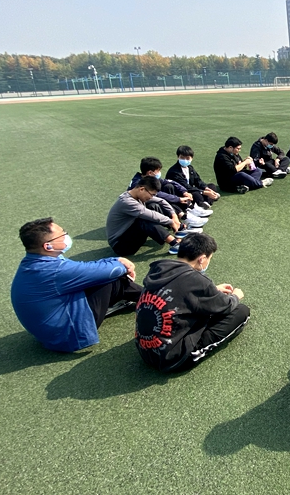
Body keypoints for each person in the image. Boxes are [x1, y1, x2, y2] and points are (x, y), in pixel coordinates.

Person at [11, 217, 142, 352]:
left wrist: (116, 259)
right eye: (62, 234)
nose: (66, 236)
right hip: (67, 336)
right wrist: (122, 264)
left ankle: (143, 296)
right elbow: (108, 271)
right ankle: (149, 298)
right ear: (48, 246)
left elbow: (84, 267)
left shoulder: (35, 262)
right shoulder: (54, 271)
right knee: (108, 279)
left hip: (49, 333)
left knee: (98, 276)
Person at [136, 233, 250, 372]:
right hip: (172, 358)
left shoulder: (159, 269)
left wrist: (213, 290)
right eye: (209, 258)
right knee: (241, 311)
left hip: (144, 349)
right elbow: (225, 306)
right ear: (202, 259)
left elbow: (178, 291)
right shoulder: (197, 281)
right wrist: (236, 296)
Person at [106, 176, 182, 256]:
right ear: (142, 189)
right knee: (143, 220)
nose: (151, 197)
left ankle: (178, 227)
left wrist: (174, 216)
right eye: (152, 194)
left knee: (152, 206)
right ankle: (175, 244)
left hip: (128, 234)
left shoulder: (136, 195)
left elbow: (161, 201)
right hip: (120, 246)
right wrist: (170, 221)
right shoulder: (127, 202)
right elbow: (151, 215)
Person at [128, 157, 211, 227]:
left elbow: (170, 182)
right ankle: (183, 218)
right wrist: (178, 199)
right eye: (158, 171)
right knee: (160, 202)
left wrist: (184, 191)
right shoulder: (139, 183)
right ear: (150, 172)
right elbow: (158, 195)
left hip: (149, 201)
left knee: (169, 186)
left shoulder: (149, 178)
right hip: (140, 207)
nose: (159, 173)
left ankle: (187, 212)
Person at [166, 146, 221, 210]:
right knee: (196, 193)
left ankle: (206, 202)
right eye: (182, 158)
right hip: (182, 192)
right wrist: (203, 192)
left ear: (192, 158)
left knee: (211, 186)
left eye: (187, 158)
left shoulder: (190, 168)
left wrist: (206, 188)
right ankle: (205, 202)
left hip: (191, 189)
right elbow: (185, 186)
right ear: (178, 157)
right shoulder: (174, 172)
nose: (185, 160)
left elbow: (198, 180)